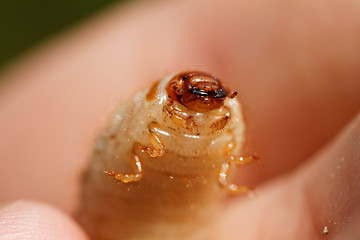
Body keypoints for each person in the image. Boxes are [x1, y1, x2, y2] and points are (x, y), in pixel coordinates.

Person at [0, 0, 360, 239]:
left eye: (212, 100)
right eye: (189, 98)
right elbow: (121, 138)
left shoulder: (216, 125)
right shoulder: (150, 115)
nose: (201, 105)